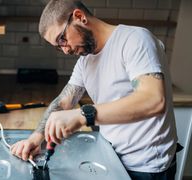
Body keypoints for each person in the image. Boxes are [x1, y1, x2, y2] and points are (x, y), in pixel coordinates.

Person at [10, 0, 178, 179]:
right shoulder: (85, 62)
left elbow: (153, 100)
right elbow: (64, 101)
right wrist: (36, 138)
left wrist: (83, 115)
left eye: (62, 39)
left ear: (79, 17)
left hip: (146, 166)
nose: (65, 50)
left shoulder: (135, 39)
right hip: (110, 156)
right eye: (59, 47)